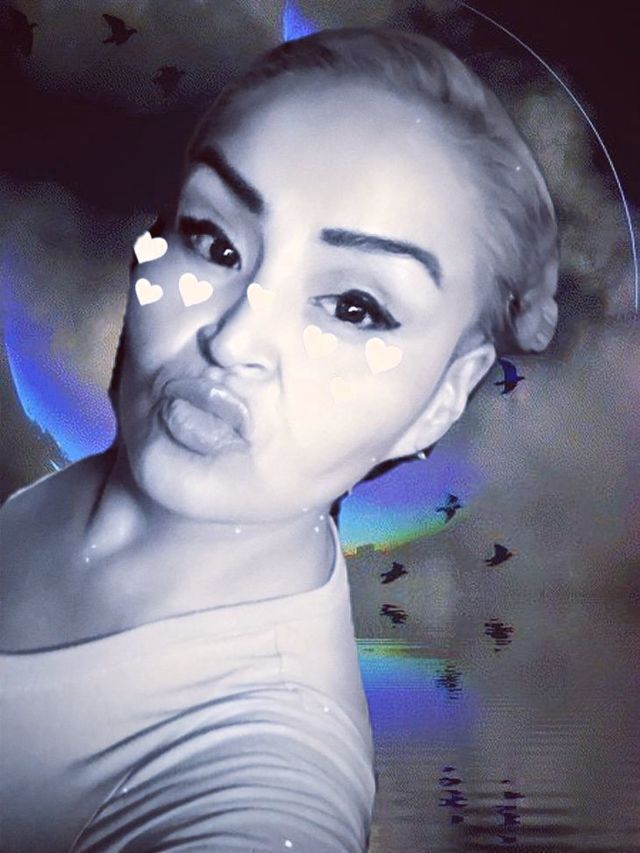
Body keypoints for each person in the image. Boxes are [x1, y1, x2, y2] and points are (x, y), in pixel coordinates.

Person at [0, 26, 559, 852]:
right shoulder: (50, 496)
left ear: (444, 396)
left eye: (355, 307)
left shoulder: (273, 772)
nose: (233, 340)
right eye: (214, 240)